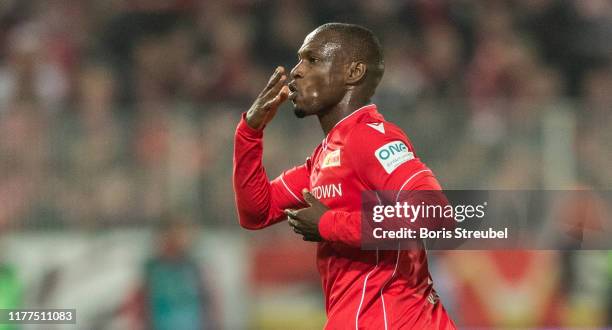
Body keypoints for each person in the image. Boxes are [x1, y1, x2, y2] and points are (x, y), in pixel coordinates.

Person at [233, 23, 456, 329]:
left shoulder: (371, 138)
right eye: (299, 60)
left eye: (312, 60)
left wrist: (328, 224)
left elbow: (435, 215)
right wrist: (249, 132)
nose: (296, 71)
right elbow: (256, 212)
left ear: (353, 73)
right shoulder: (324, 158)